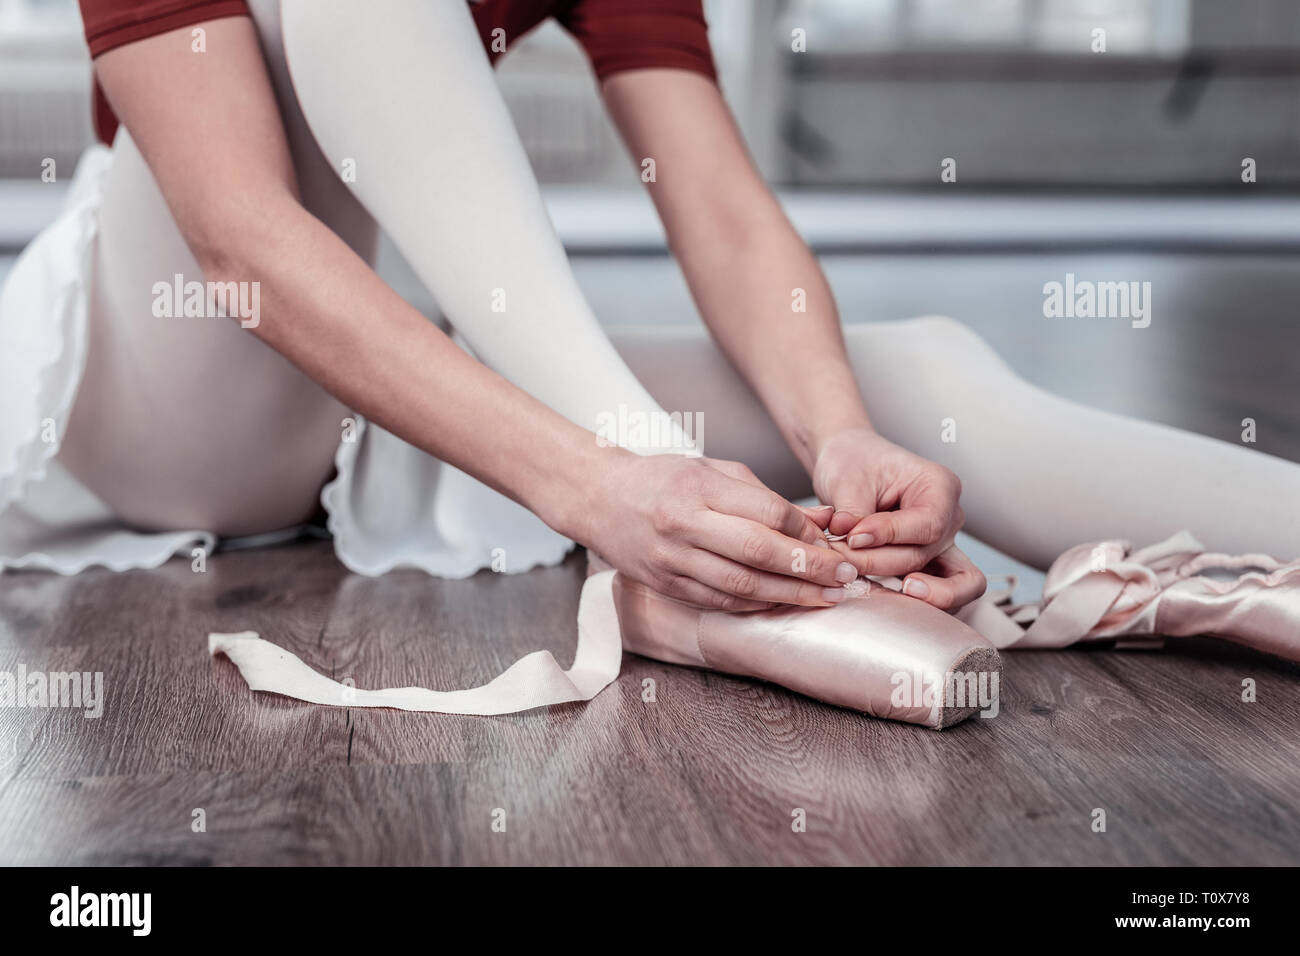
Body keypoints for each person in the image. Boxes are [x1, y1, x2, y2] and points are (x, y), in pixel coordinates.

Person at [3, 0, 1297, 620]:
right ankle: (684, 525)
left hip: (338, 401)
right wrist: (598, 487)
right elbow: (239, 239)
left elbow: (723, 212)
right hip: (149, 395)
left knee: (918, 378)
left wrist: (840, 432)